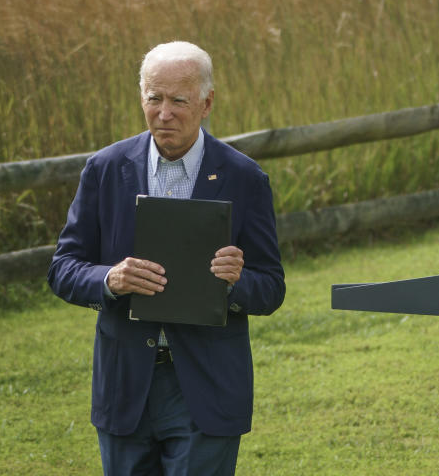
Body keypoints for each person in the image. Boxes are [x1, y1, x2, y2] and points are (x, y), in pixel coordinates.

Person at [48, 41, 285, 476]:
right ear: (142, 96)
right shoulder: (104, 169)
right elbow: (63, 268)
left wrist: (237, 281)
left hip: (207, 388)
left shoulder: (244, 178)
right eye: (154, 98)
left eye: (179, 100)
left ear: (207, 103)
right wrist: (110, 279)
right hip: (125, 388)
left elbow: (271, 286)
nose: (164, 113)